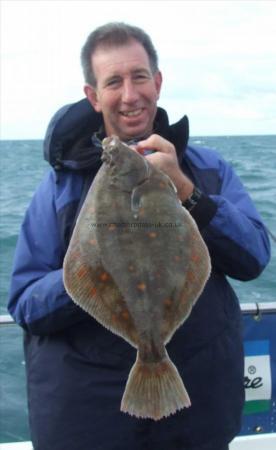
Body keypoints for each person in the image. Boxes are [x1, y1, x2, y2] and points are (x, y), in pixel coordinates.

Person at [8, 22, 271, 450]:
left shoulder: (206, 169)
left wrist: (189, 192)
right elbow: (25, 302)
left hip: (198, 415)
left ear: (158, 83)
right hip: (89, 423)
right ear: (93, 96)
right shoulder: (61, 189)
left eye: (140, 77)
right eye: (113, 82)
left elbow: (254, 257)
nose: (130, 95)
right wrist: (92, 271)